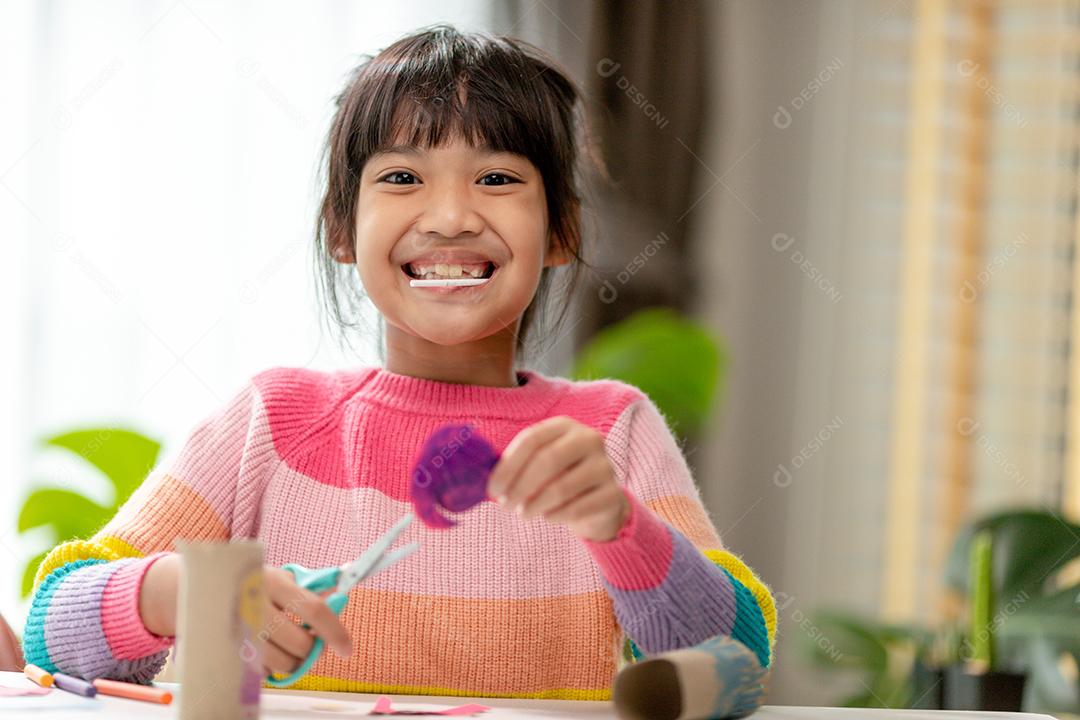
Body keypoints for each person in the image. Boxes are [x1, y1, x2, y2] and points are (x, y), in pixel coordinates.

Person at [22, 24, 776, 699]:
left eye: (497, 178)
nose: (450, 217)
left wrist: (622, 529)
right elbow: (51, 631)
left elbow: (737, 658)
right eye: (403, 177)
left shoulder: (612, 433)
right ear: (341, 228)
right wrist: (175, 591)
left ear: (561, 232)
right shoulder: (272, 422)